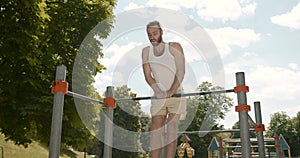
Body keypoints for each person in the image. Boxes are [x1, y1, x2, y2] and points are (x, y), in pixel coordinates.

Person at [142, 20, 186, 158]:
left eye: (155, 33)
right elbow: (148, 75)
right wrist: (158, 91)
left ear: (161, 32)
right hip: (158, 95)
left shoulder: (175, 47)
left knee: (171, 129)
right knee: (156, 130)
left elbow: (181, 71)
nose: (152, 37)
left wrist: (171, 91)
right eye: (149, 34)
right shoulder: (146, 52)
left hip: (176, 94)